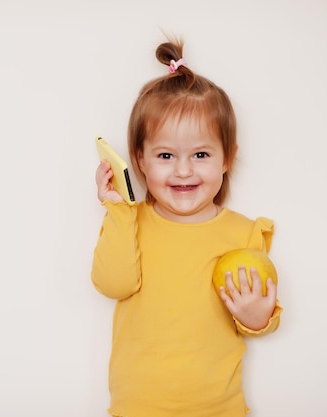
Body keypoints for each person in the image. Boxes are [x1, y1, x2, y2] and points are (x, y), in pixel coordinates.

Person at [91, 38, 283, 417]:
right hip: (138, 407)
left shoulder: (244, 233)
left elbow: (259, 319)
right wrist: (118, 210)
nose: (183, 170)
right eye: (165, 155)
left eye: (200, 154)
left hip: (219, 408)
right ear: (140, 160)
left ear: (227, 158)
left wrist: (257, 316)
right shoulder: (132, 222)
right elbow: (112, 284)